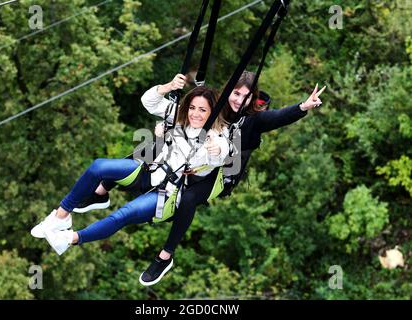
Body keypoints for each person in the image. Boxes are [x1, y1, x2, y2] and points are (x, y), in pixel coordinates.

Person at [138, 71, 326, 285]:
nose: (239, 100)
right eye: (236, 93)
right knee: (149, 157)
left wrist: (303, 106)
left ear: (252, 98)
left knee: (189, 198)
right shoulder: (217, 105)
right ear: (229, 91)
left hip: (221, 174)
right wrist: (168, 124)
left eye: (246, 96)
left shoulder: (254, 119)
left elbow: (277, 117)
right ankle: (106, 189)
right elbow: (190, 114)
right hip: (194, 160)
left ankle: (165, 256)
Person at [30, 80, 230, 260]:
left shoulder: (216, 135)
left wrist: (216, 148)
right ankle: (60, 217)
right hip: (149, 171)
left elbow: (224, 152)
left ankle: (69, 238)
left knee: (122, 215)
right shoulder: (179, 116)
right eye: (193, 107)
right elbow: (149, 102)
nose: (195, 114)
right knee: (99, 166)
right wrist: (167, 87)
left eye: (202, 110)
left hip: (167, 193)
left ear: (212, 112)